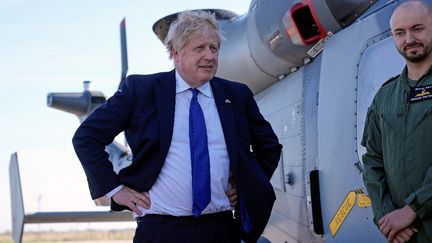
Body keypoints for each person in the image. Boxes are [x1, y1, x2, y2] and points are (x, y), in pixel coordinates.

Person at [72, 10, 282, 243]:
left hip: (221, 229)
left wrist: (245, 185)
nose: (210, 56)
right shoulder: (141, 91)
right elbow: (87, 137)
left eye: (214, 48)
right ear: (176, 52)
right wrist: (114, 190)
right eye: (200, 48)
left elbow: (269, 147)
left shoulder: (237, 96)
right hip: (159, 230)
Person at [362, 1, 432, 242]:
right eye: (400, 33)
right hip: (405, 235)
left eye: (418, 28)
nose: (409, 38)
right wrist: (387, 216)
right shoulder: (385, 97)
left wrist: (412, 210)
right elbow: (372, 159)